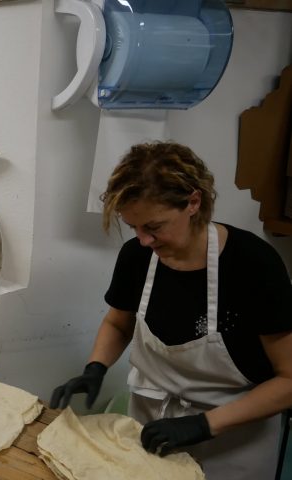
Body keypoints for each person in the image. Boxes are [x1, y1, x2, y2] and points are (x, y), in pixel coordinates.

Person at [50, 142, 292, 479]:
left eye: (154, 226)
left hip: (236, 435)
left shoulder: (253, 264)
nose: (144, 240)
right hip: (153, 422)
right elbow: (119, 323)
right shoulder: (137, 256)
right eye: (133, 227)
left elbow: (288, 380)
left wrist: (205, 424)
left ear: (193, 202)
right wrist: (96, 368)